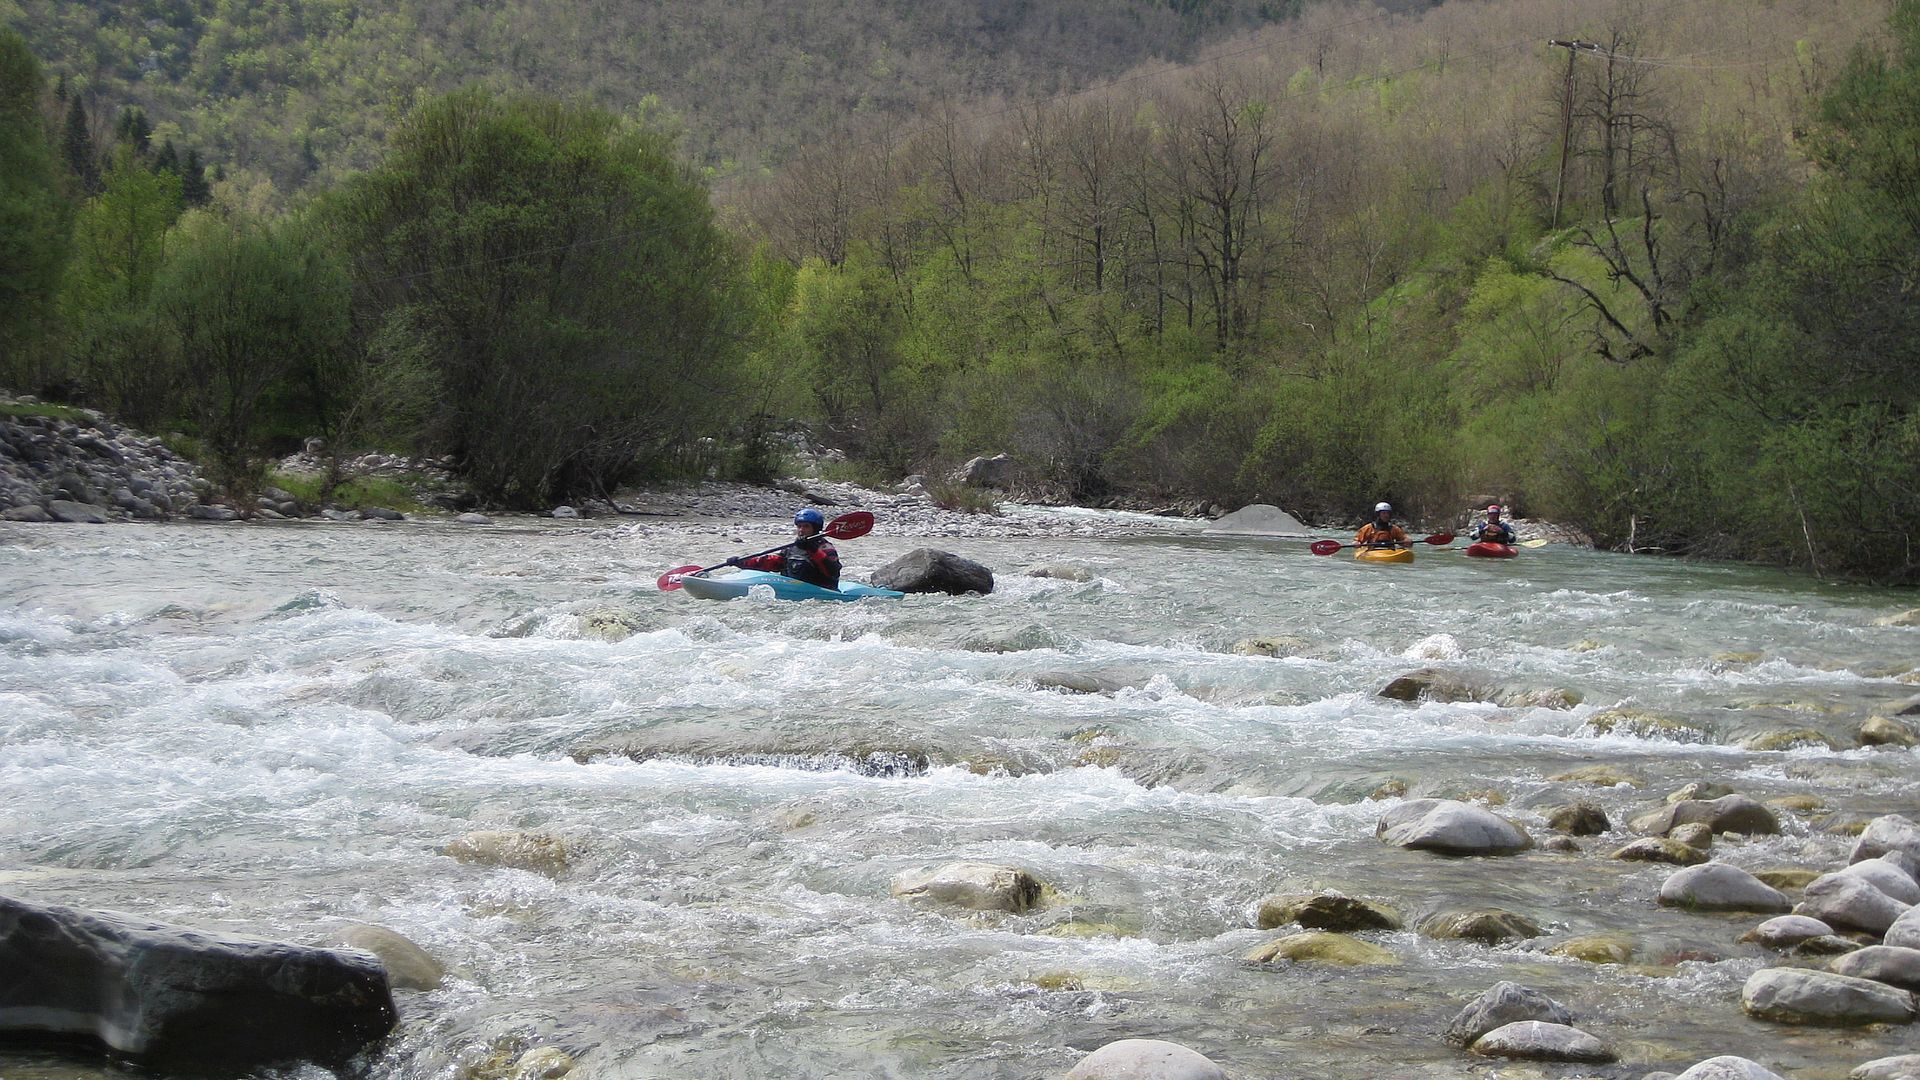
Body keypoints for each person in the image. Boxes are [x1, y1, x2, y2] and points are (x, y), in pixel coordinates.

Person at [727, 508, 842, 589]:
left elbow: (832, 572)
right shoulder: (791, 548)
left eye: (806, 526)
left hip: (820, 590)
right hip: (794, 588)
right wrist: (741, 562)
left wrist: (812, 549)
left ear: (815, 529)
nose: (801, 530)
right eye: (799, 526)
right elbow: (771, 562)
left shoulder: (825, 548)